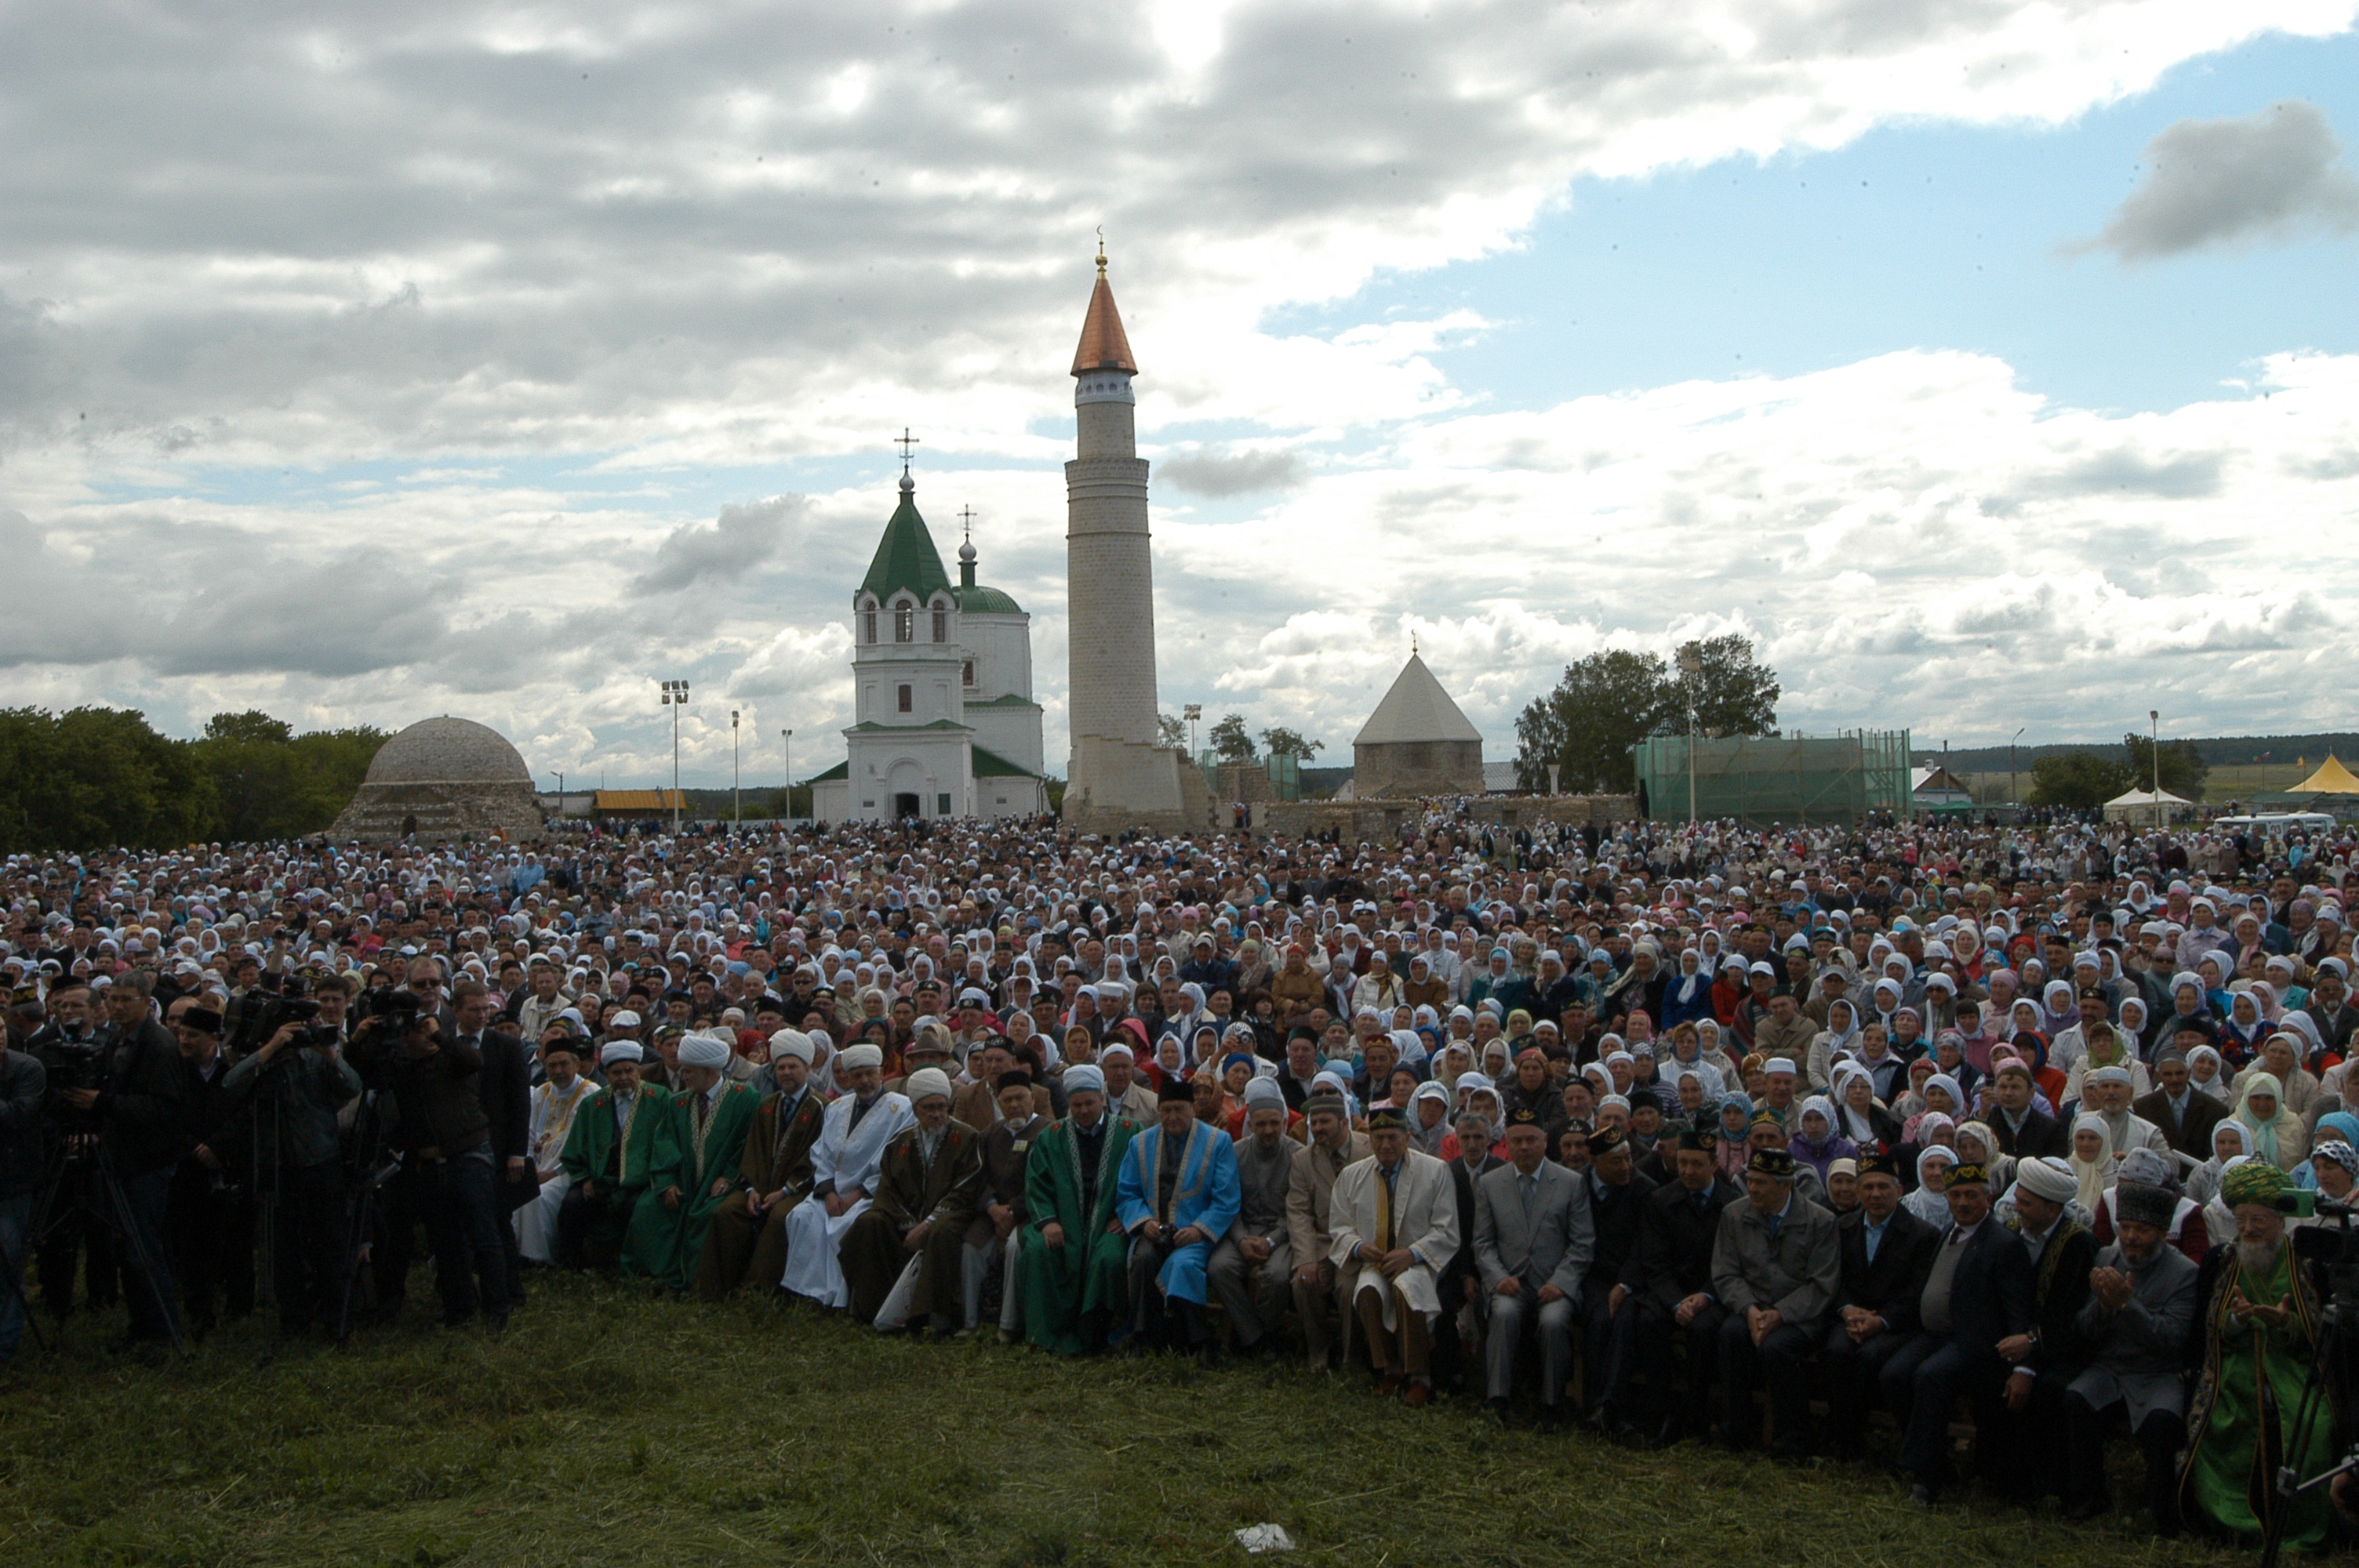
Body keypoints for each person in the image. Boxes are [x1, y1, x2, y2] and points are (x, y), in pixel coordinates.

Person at [2179, 1160, 2338, 1549]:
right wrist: (2235, 1321)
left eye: (2259, 1221)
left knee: (2315, 1432)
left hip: (2294, 1373)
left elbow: (2323, 1340)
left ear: (2280, 1221)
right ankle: (2235, 1527)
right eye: (2242, 1220)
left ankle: (2301, 1530)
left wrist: (2285, 1325)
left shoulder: (2307, 1265)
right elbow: (2206, 1331)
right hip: (2234, 1371)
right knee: (2222, 1427)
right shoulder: (2221, 1261)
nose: (2248, 1230)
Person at [1881, 1161, 2035, 1505]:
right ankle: (1935, 1459)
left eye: (1971, 1195)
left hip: (1971, 1341)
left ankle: (1926, 1477)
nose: (1963, 1202)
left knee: (1931, 1377)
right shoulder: (1948, 1232)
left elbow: (2018, 1307)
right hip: (1932, 1336)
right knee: (1893, 1375)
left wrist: (2022, 1366)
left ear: (1989, 1198)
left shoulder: (2002, 1243)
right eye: (1955, 1195)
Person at [349, 1002, 508, 1332]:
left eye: (423, 1031)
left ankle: (497, 1310)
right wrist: (358, 1039)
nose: (418, 1038)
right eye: (412, 1033)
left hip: (469, 1156)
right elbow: (361, 1075)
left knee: (484, 1237)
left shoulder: (451, 1057)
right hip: (430, 1166)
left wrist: (438, 1034)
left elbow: (473, 1061)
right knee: (446, 1242)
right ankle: (460, 1308)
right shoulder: (404, 1069)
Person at [2064, 1180, 2201, 1532]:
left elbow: (2172, 1342)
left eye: (2142, 1229)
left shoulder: (2185, 1273)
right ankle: (2088, 1496)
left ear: (2161, 1232)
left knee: (2163, 1423)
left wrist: (2127, 1305)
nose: (2131, 1238)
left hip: (2159, 1372)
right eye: (2125, 1227)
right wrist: (2105, 1309)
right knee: (2077, 1399)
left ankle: (2157, 1511)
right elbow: (2085, 1329)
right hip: (2110, 1368)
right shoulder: (2107, 1255)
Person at [221, 1009, 362, 1341]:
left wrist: (328, 1052)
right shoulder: (264, 1062)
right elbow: (230, 1085)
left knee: (331, 1245)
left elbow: (352, 1085)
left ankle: (338, 1320)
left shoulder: (314, 1060)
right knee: (283, 1249)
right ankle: (293, 1321)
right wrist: (270, 1049)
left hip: (321, 1161)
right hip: (278, 1165)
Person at [1710, 1146, 1841, 1460]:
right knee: (1730, 1335)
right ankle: (1736, 1428)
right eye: (1751, 1180)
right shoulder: (1734, 1214)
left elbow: (1821, 1284)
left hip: (1801, 1315)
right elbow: (1726, 1272)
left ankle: (1793, 1437)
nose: (1753, 1188)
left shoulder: (1820, 1221)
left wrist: (1780, 1314)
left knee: (1777, 1348)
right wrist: (1751, 1309)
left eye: (1762, 1182)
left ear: (1786, 1185)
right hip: (1751, 1307)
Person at [1472, 1106, 1593, 1430]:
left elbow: (1582, 1244)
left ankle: (1552, 1404)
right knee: (1505, 1313)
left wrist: (1562, 1283)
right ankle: (1497, 1400)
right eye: (1517, 1141)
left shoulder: (1570, 1183)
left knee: (1554, 1322)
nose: (1524, 1147)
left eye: (1531, 1140)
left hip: (1553, 1284)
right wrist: (1498, 1278)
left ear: (1545, 1140)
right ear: (1506, 1144)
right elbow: (1482, 1244)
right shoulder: (1490, 1184)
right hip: (1509, 1281)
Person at [1329, 1105, 1459, 1404]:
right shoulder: (1352, 1176)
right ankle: (1390, 1368)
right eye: (1379, 1138)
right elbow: (1339, 1226)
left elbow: (1446, 1228)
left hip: (1419, 1262)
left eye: (1392, 1137)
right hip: (1374, 1262)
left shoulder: (1435, 1171)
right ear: (1369, 1139)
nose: (1385, 1145)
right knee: (1368, 1292)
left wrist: (1411, 1254)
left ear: (1407, 1137)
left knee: (1407, 1289)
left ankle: (1419, 1376)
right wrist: (1359, 1247)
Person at [841, 1066, 982, 1334]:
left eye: (941, 1107)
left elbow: (967, 1186)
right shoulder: (900, 1142)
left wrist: (927, 1223)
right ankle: (874, 1309)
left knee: (941, 1232)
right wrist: (908, 1225)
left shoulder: (966, 1137)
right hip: (906, 1220)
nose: (936, 1114)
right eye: (929, 1108)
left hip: (949, 1216)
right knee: (869, 1223)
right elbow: (887, 1190)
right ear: (916, 1109)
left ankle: (928, 1318)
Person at [1627, 1121, 1740, 1447]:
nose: (1688, 1172)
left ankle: (1698, 1414)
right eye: (1683, 1164)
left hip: (1713, 1293)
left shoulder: (1731, 1206)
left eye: (1697, 1164)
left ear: (1714, 1165)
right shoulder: (1660, 1201)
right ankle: (1660, 1412)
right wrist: (1677, 1302)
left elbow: (1731, 1263)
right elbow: (1654, 1262)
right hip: (1670, 1293)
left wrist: (1703, 1297)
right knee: (1649, 1322)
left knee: (1704, 1332)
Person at [694, 1029, 827, 1301]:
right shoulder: (767, 1105)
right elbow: (752, 1151)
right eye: (781, 1068)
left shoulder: (821, 1107)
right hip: (760, 1187)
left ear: (807, 1069)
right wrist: (751, 1188)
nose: (787, 1073)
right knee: (727, 1212)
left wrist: (785, 1191)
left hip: (799, 1190)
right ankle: (712, 1289)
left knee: (780, 1218)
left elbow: (818, 1159)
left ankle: (757, 1292)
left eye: (793, 1067)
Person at [1116, 1076, 1241, 1366]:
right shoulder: (1140, 1143)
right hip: (1153, 1232)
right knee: (1144, 1259)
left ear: (1193, 1109)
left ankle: (1200, 1341)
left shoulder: (1218, 1141)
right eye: (1167, 1110)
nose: (1173, 1116)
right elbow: (1127, 1192)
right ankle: (1143, 1336)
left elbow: (1227, 1198)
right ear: (1159, 1111)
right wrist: (1143, 1221)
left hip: (1195, 1234)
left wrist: (1199, 1229)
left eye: (1179, 1109)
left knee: (1183, 1265)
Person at [1821, 1150, 1937, 1459]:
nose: (1876, 1194)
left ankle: (1877, 1438)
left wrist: (1881, 1321)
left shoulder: (1922, 1235)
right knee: (1837, 1351)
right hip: (1851, 1318)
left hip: (1896, 1325)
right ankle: (1844, 1440)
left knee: (1871, 1357)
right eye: (1868, 1187)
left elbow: (1917, 1291)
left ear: (1899, 1191)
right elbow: (1832, 1277)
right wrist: (1847, 1310)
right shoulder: (1842, 1228)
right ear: (1857, 1191)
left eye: (1884, 1187)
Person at [779, 1043, 914, 1308]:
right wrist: (828, 1193)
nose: (864, 1081)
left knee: (845, 1225)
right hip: (832, 1193)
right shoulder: (837, 1107)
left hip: (868, 1194)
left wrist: (853, 1197)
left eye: (869, 1074)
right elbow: (821, 1154)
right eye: (857, 1075)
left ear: (880, 1073)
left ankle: (839, 1297)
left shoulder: (901, 1108)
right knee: (802, 1217)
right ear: (848, 1078)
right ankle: (807, 1292)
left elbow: (892, 1162)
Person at [1020, 1064, 1138, 1356]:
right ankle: (1043, 1336)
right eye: (1076, 1105)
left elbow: (1143, 1181)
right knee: (1037, 1250)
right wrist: (1047, 1222)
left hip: (1110, 1224)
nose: (1084, 1110)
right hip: (1061, 1222)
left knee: (1109, 1258)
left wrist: (1128, 1216)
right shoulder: (1052, 1135)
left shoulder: (1129, 1132)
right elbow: (1036, 1183)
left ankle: (1099, 1335)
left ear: (1102, 1097)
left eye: (1089, 1103)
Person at [636, 1032, 761, 1290]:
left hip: (725, 1181)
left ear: (708, 1071)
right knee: (648, 1207)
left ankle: (702, 1282)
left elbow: (747, 1145)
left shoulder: (744, 1097)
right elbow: (664, 1144)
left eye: (690, 1072)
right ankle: (651, 1275)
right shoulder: (679, 1102)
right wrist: (667, 1181)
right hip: (683, 1180)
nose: (684, 1077)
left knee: (709, 1214)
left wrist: (728, 1176)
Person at [555, 1042, 670, 1270]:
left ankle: (633, 1267)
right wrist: (585, 1178)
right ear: (606, 1074)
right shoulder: (593, 1104)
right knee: (573, 1203)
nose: (623, 1077)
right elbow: (575, 1148)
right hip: (600, 1180)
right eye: (616, 1073)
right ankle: (571, 1265)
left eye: (629, 1071)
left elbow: (668, 1144)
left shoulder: (659, 1098)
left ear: (639, 1071)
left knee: (637, 1206)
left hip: (642, 1181)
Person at [1207, 1078, 1295, 1359]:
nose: (1268, 1131)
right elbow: (1227, 1203)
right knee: (1219, 1267)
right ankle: (1256, 1337)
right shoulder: (1235, 1153)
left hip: (1282, 1234)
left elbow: (1296, 1211)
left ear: (1283, 1122)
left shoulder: (1298, 1156)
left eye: (1274, 1124)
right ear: (1251, 1124)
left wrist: (1271, 1241)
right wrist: (1242, 1239)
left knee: (1278, 1277)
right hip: (1242, 1230)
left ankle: (1257, 1333)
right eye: (1261, 1124)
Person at [1285, 1090, 1369, 1370]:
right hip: (1322, 1242)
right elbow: (1298, 1212)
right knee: (1303, 1283)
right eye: (1314, 1123)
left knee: (1349, 1289)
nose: (1318, 1128)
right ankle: (1318, 1350)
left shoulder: (1368, 1150)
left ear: (1344, 1123)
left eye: (1325, 1122)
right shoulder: (1302, 1160)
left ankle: (1352, 1356)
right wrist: (1305, 1259)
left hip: (1358, 1243)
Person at [964, 1069, 1047, 1338]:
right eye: (1007, 1100)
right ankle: (969, 1321)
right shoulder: (991, 1134)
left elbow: (1047, 1182)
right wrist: (991, 1207)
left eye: (1020, 1098)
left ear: (1032, 1098)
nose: (1014, 1106)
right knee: (970, 1248)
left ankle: (1008, 1325)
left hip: (1030, 1213)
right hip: (992, 1213)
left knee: (1014, 1247)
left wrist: (1014, 1211)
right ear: (999, 1102)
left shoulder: (1047, 1132)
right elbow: (977, 1177)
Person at [514, 1035, 594, 1265]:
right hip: (537, 1167)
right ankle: (515, 1253)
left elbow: (581, 1144)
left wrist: (551, 1173)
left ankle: (537, 1258)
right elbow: (529, 1133)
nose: (558, 1070)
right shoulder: (541, 1092)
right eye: (552, 1065)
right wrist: (529, 1167)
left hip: (569, 1171)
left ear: (577, 1065)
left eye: (564, 1064)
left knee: (536, 1199)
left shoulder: (590, 1094)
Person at [0, 1036, 45, 1367]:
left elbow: (20, 1115)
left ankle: (4, 1346)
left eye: (0, 1027)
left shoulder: (26, 1068)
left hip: (11, 1183)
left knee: (8, 1265)